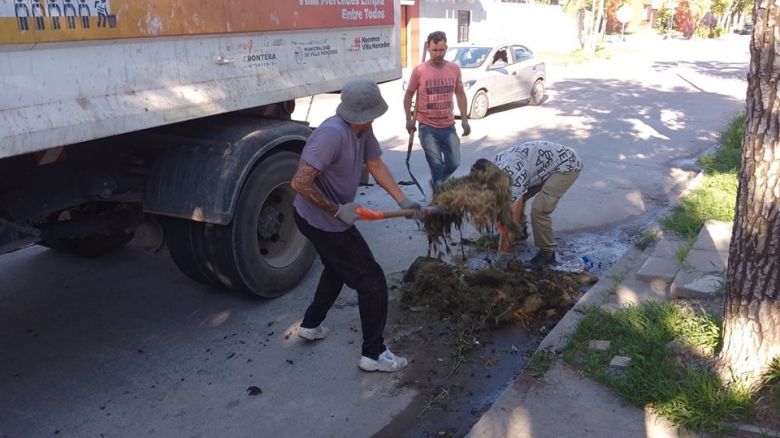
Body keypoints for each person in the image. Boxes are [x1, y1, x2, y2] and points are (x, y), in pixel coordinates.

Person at [291, 79, 423, 373]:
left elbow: (375, 164)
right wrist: (338, 210)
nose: (376, 117)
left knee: (337, 268)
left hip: (326, 218)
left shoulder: (363, 130)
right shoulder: (332, 135)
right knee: (372, 281)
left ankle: (311, 324)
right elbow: (299, 182)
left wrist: (403, 200)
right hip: (321, 220)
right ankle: (373, 353)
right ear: (364, 114)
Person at [470, 141, 583, 267]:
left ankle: (547, 253)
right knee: (515, 201)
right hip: (541, 166)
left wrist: (502, 258)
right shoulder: (489, 168)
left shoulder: (511, 180)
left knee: (539, 210)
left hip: (566, 165)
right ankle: (521, 233)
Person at [403, 30, 471, 196]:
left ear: (446, 48)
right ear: (428, 48)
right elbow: (408, 96)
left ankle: (437, 183)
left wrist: (464, 119)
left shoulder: (454, 69)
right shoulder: (419, 71)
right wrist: (408, 119)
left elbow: (460, 93)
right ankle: (438, 201)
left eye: (441, 50)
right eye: (435, 50)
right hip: (427, 127)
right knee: (436, 165)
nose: (438, 54)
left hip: (448, 126)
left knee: (454, 163)